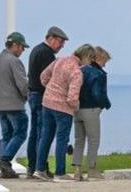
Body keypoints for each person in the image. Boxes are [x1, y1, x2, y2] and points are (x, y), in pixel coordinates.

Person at [34, 43, 93, 181]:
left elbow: (43, 76)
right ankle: (60, 173)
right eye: (91, 59)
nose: (89, 63)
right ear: (87, 57)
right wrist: (76, 107)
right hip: (63, 109)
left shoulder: (59, 60)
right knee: (62, 140)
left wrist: (51, 89)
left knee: (45, 137)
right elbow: (72, 97)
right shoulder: (77, 72)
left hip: (47, 103)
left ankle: (39, 169)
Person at [25, 26, 68, 180]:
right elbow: (50, 78)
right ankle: (40, 166)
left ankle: (32, 165)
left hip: (33, 93)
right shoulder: (46, 54)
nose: (62, 46)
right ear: (51, 38)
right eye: (60, 42)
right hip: (41, 96)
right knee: (43, 133)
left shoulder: (36, 50)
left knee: (35, 132)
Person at [73, 46, 112, 181]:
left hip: (77, 109)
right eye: (105, 61)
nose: (105, 65)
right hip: (91, 109)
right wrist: (106, 104)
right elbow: (97, 93)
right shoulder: (99, 74)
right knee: (93, 140)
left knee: (79, 140)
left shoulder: (80, 70)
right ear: (99, 59)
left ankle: (77, 170)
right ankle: (92, 169)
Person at [0, 30, 31, 178]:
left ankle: (5, 168)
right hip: (14, 105)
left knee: (6, 135)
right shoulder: (14, 61)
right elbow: (22, 84)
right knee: (20, 133)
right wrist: (28, 96)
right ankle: (4, 160)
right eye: (22, 47)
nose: (22, 50)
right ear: (15, 45)